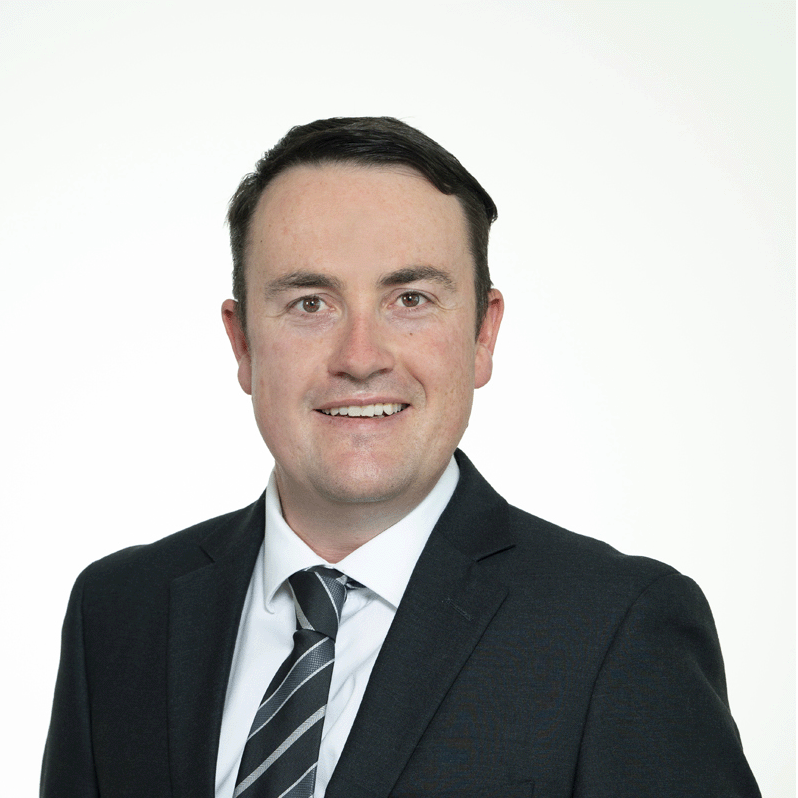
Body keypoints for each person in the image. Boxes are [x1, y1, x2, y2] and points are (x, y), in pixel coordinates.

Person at [41, 117, 761, 798]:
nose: (360, 358)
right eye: (310, 303)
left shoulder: (618, 628)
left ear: (483, 335)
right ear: (243, 344)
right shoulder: (118, 613)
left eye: (410, 299)